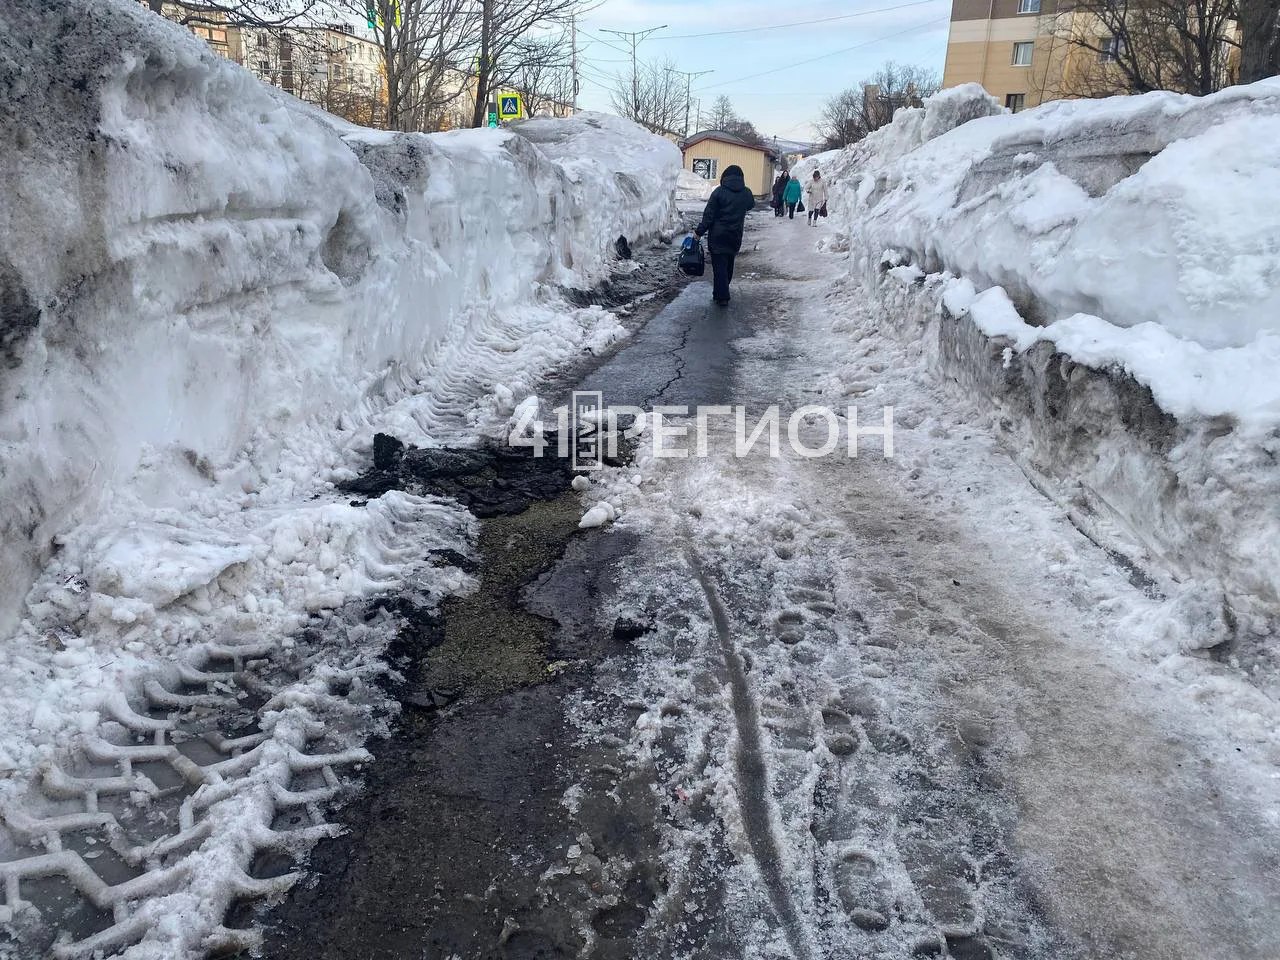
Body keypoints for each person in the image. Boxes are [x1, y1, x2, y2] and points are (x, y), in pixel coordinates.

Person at [694, 164, 755, 306]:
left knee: (719, 266)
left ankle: (722, 296)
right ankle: (721, 290)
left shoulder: (718, 192)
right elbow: (751, 205)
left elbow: (708, 215)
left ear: (724, 177)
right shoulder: (746, 192)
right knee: (729, 263)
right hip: (735, 235)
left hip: (718, 235)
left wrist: (699, 232)